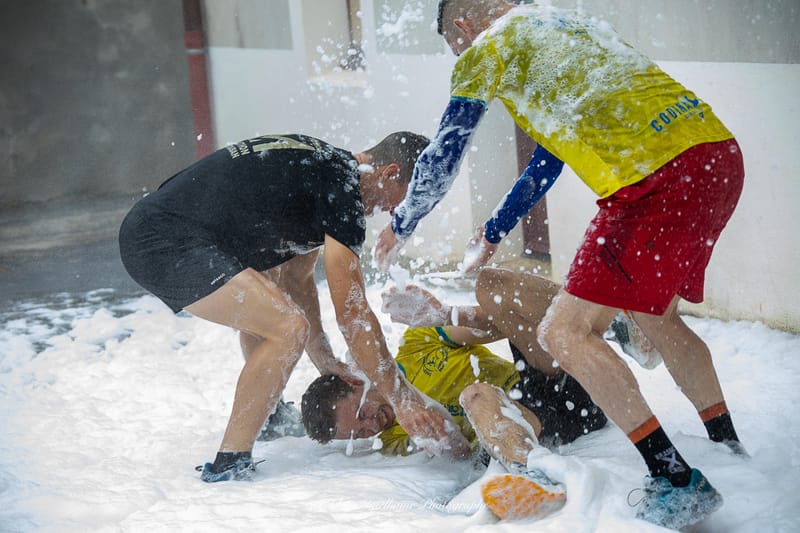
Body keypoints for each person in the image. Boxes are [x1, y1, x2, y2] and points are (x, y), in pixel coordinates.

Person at [373, 2, 746, 529]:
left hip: (651, 181)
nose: (462, 56)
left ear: (464, 27)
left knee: (563, 333)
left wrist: (402, 222)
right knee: (657, 318)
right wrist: (496, 230)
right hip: (715, 156)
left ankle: (673, 477)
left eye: (456, 48)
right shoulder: (565, 24)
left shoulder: (487, 46)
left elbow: (444, 155)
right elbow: (549, 158)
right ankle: (730, 450)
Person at [118, 132, 471, 483]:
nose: (397, 213)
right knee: (287, 328)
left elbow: (297, 280)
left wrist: (324, 360)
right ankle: (230, 464)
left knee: (272, 299)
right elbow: (353, 314)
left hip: (160, 228)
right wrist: (402, 398)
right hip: (164, 241)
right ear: (390, 173)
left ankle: (269, 416)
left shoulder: (326, 171)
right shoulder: (342, 195)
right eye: (408, 201)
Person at [301, 270, 609, 519]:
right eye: (360, 434)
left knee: (498, 288)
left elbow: (498, 324)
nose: (372, 426)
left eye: (362, 414)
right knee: (476, 395)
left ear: (356, 381)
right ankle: (530, 477)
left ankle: (610, 311)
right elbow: (459, 453)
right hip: (532, 425)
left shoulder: (417, 343)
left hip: (557, 385)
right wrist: (436, 425)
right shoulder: (394, 440)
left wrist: (444, 314)